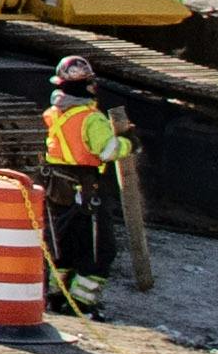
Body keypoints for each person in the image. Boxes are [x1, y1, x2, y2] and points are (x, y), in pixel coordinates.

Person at [34, 56, 152, 298]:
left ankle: (57, 298)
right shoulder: (91, 118)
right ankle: (84, 304)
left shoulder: (53, 114)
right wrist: (129, 143)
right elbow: (107, 151)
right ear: (87, 85)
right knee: (100, 252)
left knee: (63, 249)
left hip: (57, 190)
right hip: (86, 192)